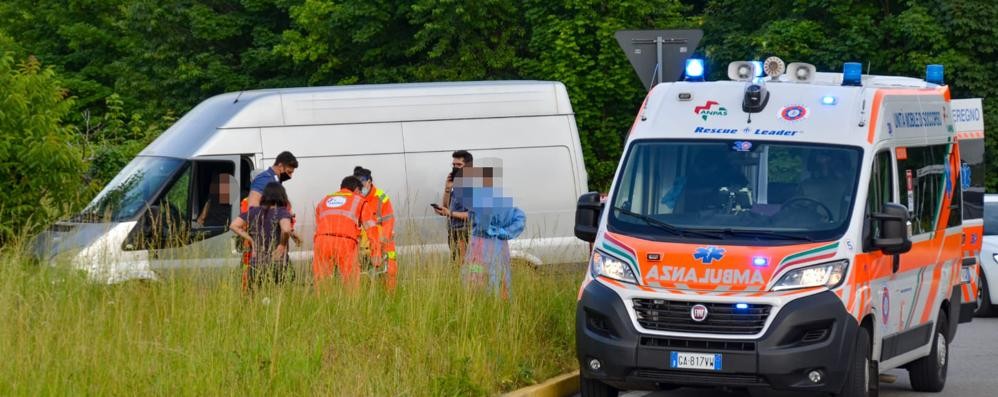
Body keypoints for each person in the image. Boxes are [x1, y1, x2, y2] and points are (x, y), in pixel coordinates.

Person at [438, 166, 525, 298]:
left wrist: (500, 232)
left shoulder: (500, 204)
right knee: (476, 276)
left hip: (494, 249)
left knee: (494, 277)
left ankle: (494, 305)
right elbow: (472, 217)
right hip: (479, 250)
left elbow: (519, 219)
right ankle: (485, 304)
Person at [313, 176, 381, 290]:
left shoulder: (324, 200)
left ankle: (322, 305)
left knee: (321, 283)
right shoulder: (359, 201)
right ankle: (351, 305)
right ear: (356, 190)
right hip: (345, 242)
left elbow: (318, 224)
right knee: (351, 283)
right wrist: (376, 253)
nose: (361, 194)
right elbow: (371, 228)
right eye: (360, 192)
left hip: (322, 241)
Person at [229, 182, 294, 289]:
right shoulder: (282, 212)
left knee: (256, 297)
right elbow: (286, 230)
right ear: (282, 195)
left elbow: (233, 225)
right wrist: (282, 245)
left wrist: (251, 240)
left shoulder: (254, 211)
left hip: (256, 264)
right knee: (277, 296)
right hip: (277, 263)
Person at [353, 166, 398, 289]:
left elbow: (389, 222)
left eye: (362, 181)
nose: (360, 185)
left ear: (369, 181)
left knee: (390, 271)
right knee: (358, 277)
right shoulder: (353, 198)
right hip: (360, 245)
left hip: (382, 242)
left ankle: (389, 299)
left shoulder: (381, 198)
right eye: (357, 181)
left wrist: (379, 245)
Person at [434, 150, 473, 263]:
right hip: (453, 232)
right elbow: (446, 206)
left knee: (466, 267)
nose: (455, 167)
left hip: (466, 233)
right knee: (456, 265)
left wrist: (450, 213)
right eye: (454, 165)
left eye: (459, 165)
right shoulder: (457, 186)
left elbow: (472, 215)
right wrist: (447, 188)